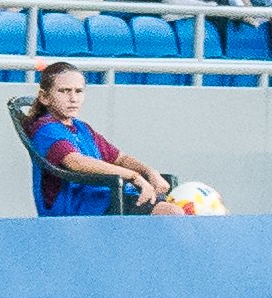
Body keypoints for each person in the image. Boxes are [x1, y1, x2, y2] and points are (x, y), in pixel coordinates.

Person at [21, 60, 173, 210]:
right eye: (64, 91)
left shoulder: (82, 128)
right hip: (79, 206)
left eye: (78, 91)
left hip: (102, 197)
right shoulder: (45, 128)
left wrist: (150, 172)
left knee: (176, 206)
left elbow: (120, 158)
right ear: (44, 97)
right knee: (170, 212)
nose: (73, 98)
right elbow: (75, 162)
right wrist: (133, 176)